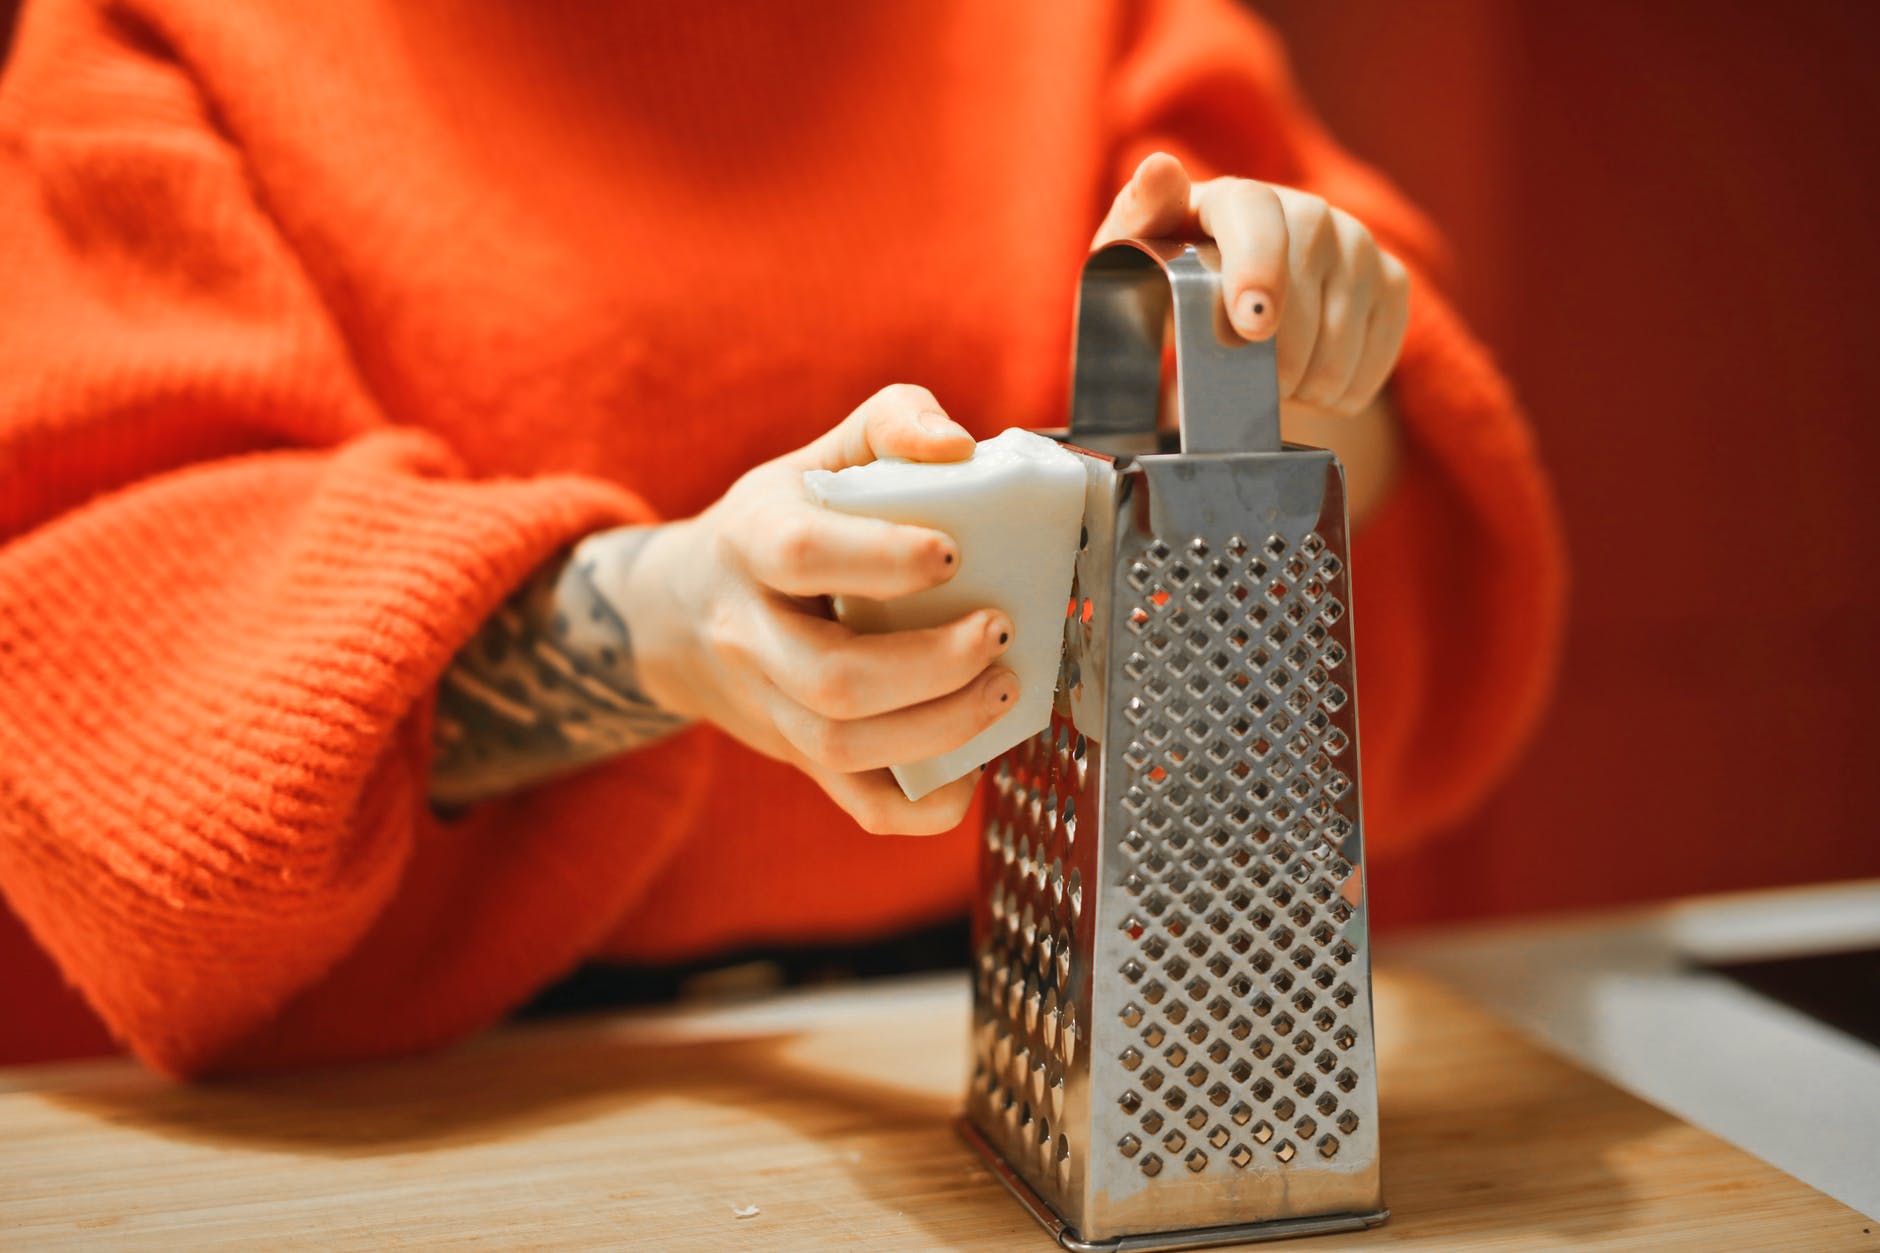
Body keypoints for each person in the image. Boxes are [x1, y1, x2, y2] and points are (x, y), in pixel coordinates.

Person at [0, 0, 1564, 1076]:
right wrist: (673, 616)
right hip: (462, 1097)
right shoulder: (167, 31)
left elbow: (1354, 489)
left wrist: (1292, 352)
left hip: (1042, 1014)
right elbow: (125, 641)